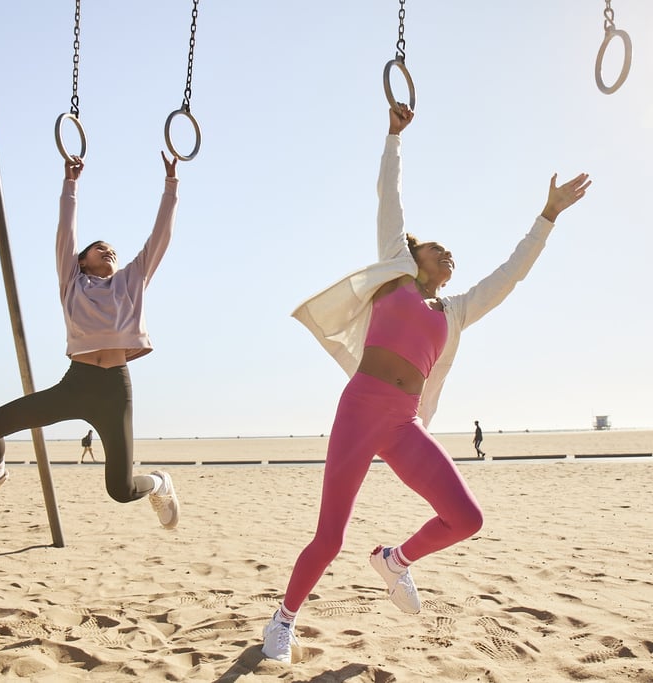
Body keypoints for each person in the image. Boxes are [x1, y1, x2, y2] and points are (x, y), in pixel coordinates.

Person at [261, 103, 590, 663]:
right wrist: (393, 136)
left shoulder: (456, 311)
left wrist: (548, 215)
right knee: (330, 537)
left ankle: (396, 561)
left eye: (449, 252)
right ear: (413, 255)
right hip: (360, 409)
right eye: (437, 248)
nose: (448, 253)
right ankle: (284, 618)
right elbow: (390, 201)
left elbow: (510, 274)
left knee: (467, 518)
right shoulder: (395, 276)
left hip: (403, 422)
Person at [0, 152, 182, 530]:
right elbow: (65, 231)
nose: (108, 250)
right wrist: (70, 184)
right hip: (76, 385)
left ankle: (158, 483)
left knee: (119, 489)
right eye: (98, 247)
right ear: (81, 261)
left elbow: (160, 237)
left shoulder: (132, 281)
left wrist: (171, 186)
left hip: (115, 391)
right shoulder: (73, 281)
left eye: (111, 248)